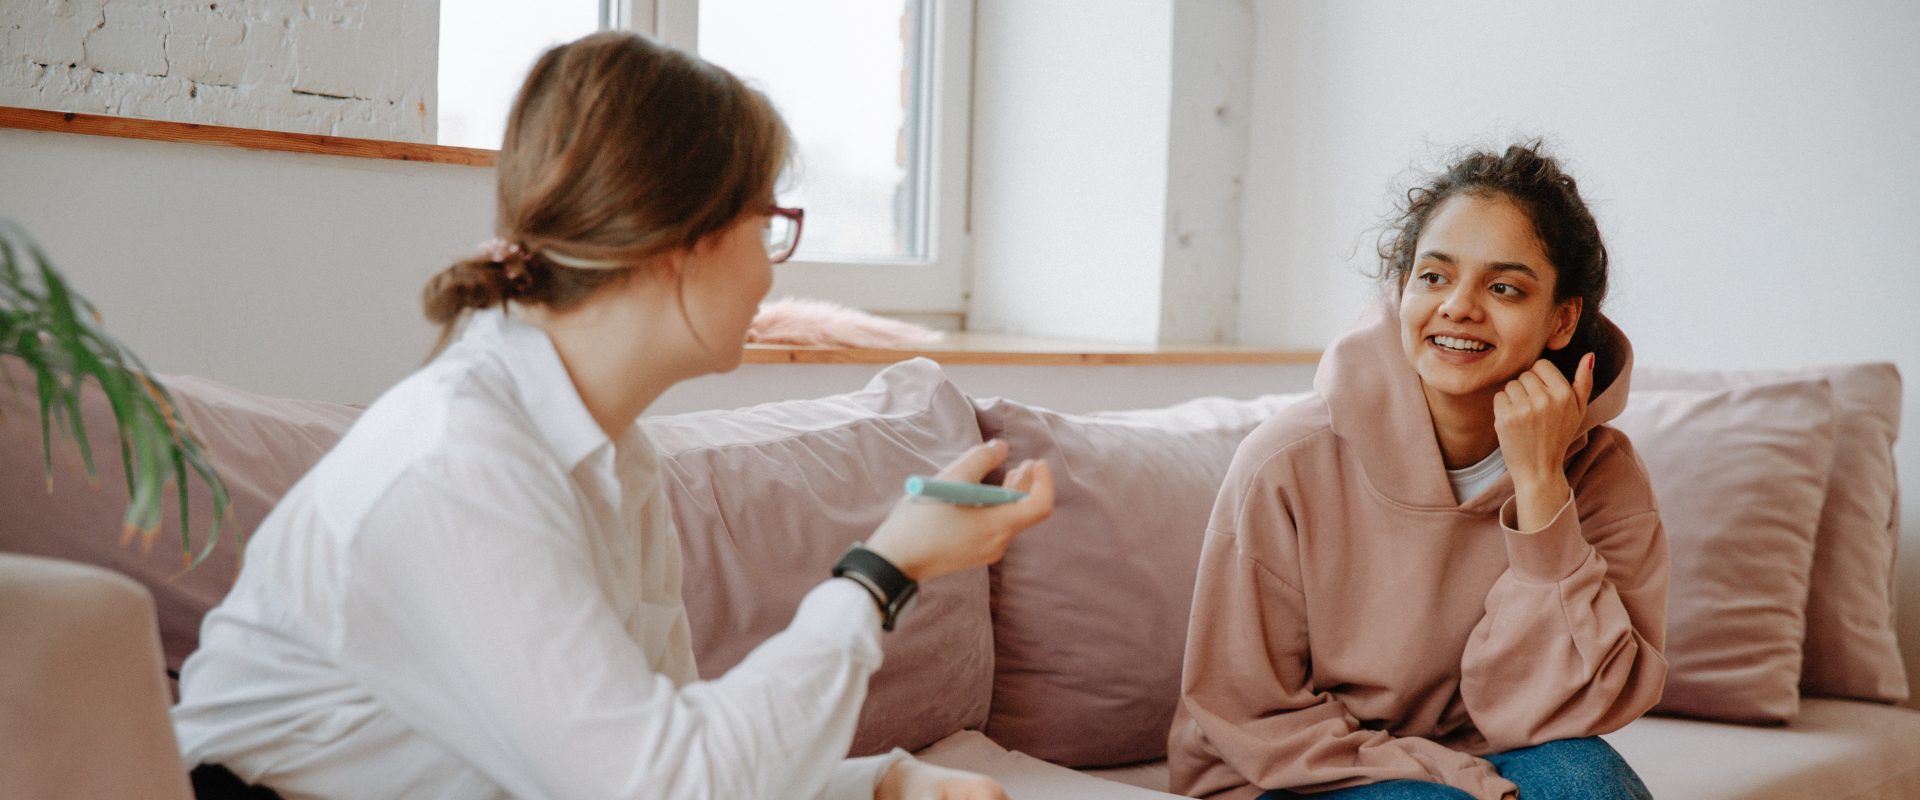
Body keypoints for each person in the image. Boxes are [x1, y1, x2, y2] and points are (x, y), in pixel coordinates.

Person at [172, 31, 1053, 800]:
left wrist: (881, 783)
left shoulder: (611, 454)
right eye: (768, 224)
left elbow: (657, 755)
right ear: (685, 241)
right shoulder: (462, 464)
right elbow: (662, 788)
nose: (771, 269)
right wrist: (881, 570)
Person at [1168, 143, 1667, 800]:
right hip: (1291, 771)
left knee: (1586, 780)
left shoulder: (1603, 474)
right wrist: (1452, 777)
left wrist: (1542, 490)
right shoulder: (1285, 462)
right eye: (1434, 277)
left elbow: (1576, 709)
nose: (1459, 306)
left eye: (1504, 287)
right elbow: (1249, 711)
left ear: (1563, 318)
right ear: (1401, 288)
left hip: (1485, 750)